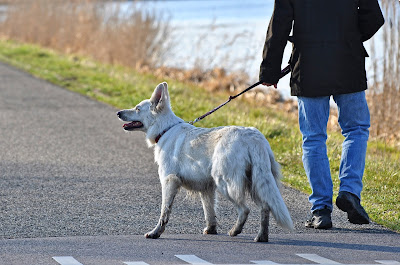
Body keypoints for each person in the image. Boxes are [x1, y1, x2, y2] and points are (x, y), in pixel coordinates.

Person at [259, 0, 384, 229]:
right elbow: (374, 18)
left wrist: (269, 69)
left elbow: (279, 24)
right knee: (356, 129)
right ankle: (349, 192)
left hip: (309, 67)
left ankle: (321, 210)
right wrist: (350, 38)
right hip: (348, 62)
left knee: (314, 137)